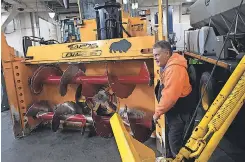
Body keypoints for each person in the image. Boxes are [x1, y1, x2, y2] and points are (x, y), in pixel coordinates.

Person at [152, 40, 195, 158]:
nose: (155, 58)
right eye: (153, 55)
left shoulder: (174, 69)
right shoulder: (168, 66)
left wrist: (157, 113)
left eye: (157, 55)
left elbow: (169, 97)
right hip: (175, 111)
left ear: (166, 53)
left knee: (176, 143)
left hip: (180, 113)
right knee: (174, 141)